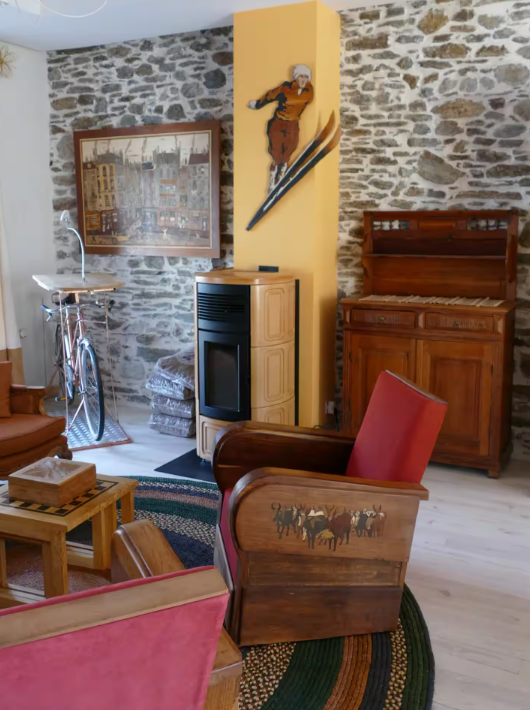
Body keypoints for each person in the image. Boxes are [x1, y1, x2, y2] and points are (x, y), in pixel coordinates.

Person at [248, 64, 314, 192]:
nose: (303, 80)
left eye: (306, 77)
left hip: (293, 124)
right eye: (301, 76)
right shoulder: (285, 88)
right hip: (278, 123)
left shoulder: (309, 91)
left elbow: (306, 104)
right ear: (296, 77)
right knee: (276, 154)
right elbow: (270, 95)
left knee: (288, 153)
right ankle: (272, 182)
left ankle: (281, 178)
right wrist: (257, 104)